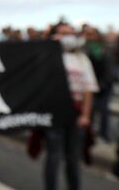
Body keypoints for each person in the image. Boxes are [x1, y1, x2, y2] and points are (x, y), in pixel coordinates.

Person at [44, 23, 98, 190]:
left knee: (73, 158)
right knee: (53, 157)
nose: (67, 37)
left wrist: (85, 115)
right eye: (63, 34)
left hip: (76, 114)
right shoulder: (48, 57)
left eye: (70, 34)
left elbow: (88, 89)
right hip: (55, 113)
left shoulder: (82, 59)